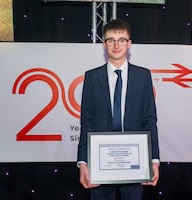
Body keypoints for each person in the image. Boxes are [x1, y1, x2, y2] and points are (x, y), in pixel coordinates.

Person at [77, 19, 160, 200]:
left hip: (135, 161)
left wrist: (154, 160)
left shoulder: (143, 76)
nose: (116, 45)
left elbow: (150, 119)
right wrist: (83, 162)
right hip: (100, 162)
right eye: (110, 40)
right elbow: (87, 121)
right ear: (104, 44)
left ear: (129, 43)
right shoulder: (91, 77)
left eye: (121, 40)